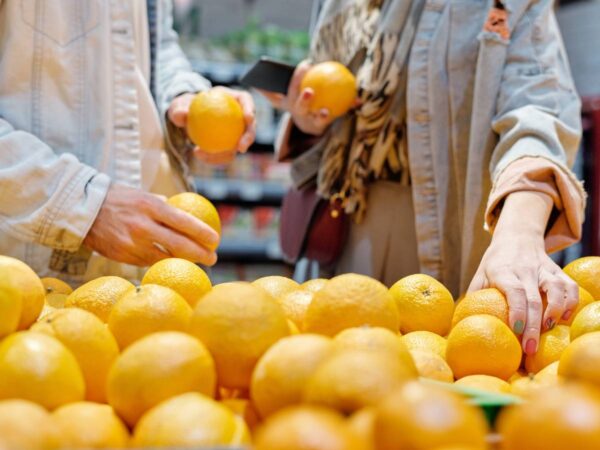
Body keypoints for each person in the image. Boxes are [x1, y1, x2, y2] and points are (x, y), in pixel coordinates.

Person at [263, 0, 585, 354]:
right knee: (347, 370)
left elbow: (538, 111)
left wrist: (520, 233)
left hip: (465, 223)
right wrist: (312, 120)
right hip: (355, 225)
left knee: (449, 370)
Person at [0, 0, 255, 284]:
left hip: (143, 281)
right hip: (22, 275)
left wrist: (183, 95)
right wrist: (84, 205)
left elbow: (154, 43)